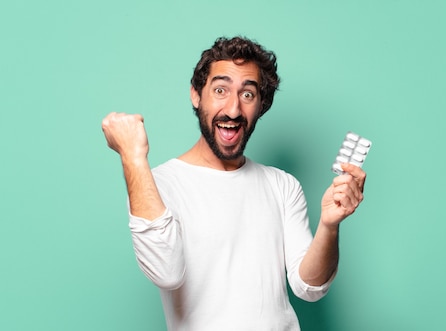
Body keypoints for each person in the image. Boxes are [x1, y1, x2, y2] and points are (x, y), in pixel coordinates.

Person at [101, 36, 366, 330]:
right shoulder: (156, 185)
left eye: (248, 95)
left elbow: (309, 287)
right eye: (220, 90)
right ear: (196, 95)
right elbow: (166, 273)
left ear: (261, 105)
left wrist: (329, 225)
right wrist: (133, 157)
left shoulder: (283, 185)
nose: (233, 109)